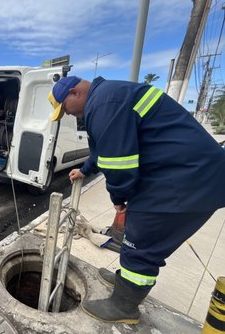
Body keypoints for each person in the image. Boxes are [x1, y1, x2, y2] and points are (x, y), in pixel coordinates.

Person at [48, 76, 225, 324]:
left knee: (140, 241)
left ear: (75, 93)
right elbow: (103, 148)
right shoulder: (107, 97)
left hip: (185, 181)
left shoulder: (104, 103)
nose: (66, 113)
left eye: (64, 107)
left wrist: (119, 198)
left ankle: (124, 306)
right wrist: (86, 170)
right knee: (138, 236)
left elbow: (119, 164)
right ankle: (126, 282)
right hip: (185, 175)